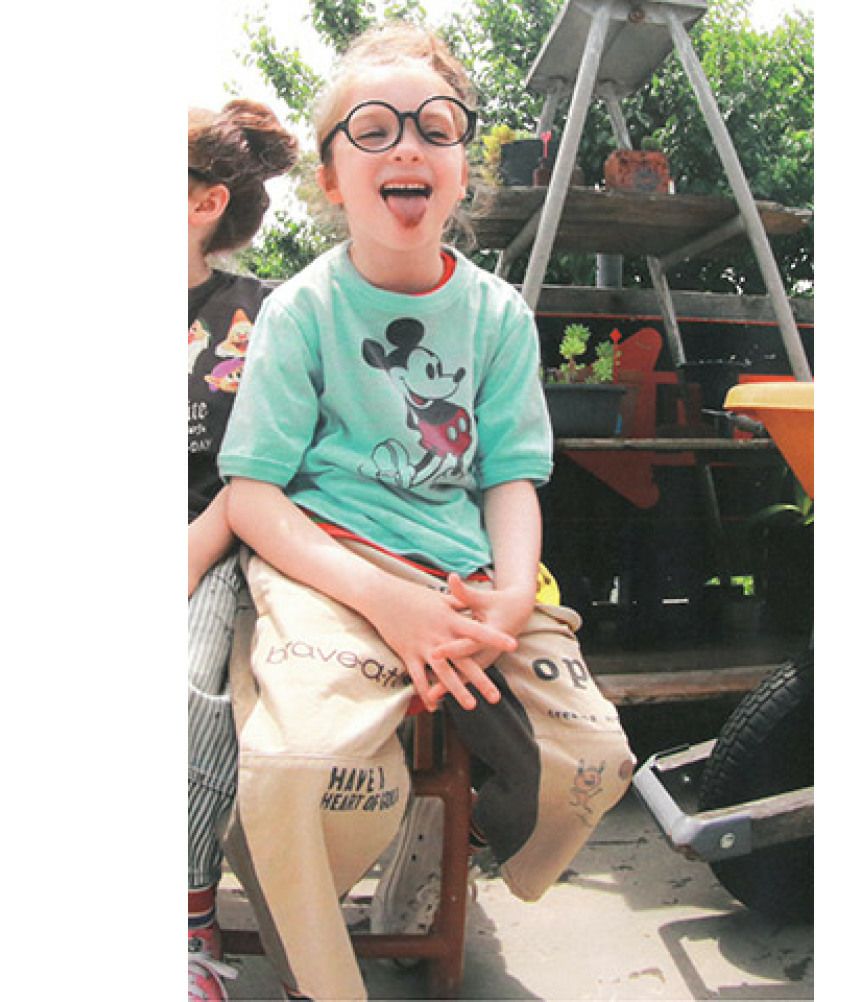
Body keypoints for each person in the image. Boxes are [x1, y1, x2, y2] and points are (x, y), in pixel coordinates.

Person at [217, 22, 635, 1001]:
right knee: (295, 771)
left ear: (460, 171)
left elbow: (511, 479)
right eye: (374, 129)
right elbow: (254, 495)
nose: (406, 143)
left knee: (591, 760)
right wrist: (384, 601)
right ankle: (326, 974)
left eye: (434, 127)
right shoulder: (301, 311)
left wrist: (511, 596)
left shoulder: (497, 316)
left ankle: (451, 838)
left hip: (463, 573)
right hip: (329, 566)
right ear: (331, 177)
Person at [188, 99, 298, 1001]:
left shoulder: (263, 315)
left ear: (203, 203)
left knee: (190, 683)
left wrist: (195, 547)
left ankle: (188, 918)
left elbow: (273, 462)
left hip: (217, 542)